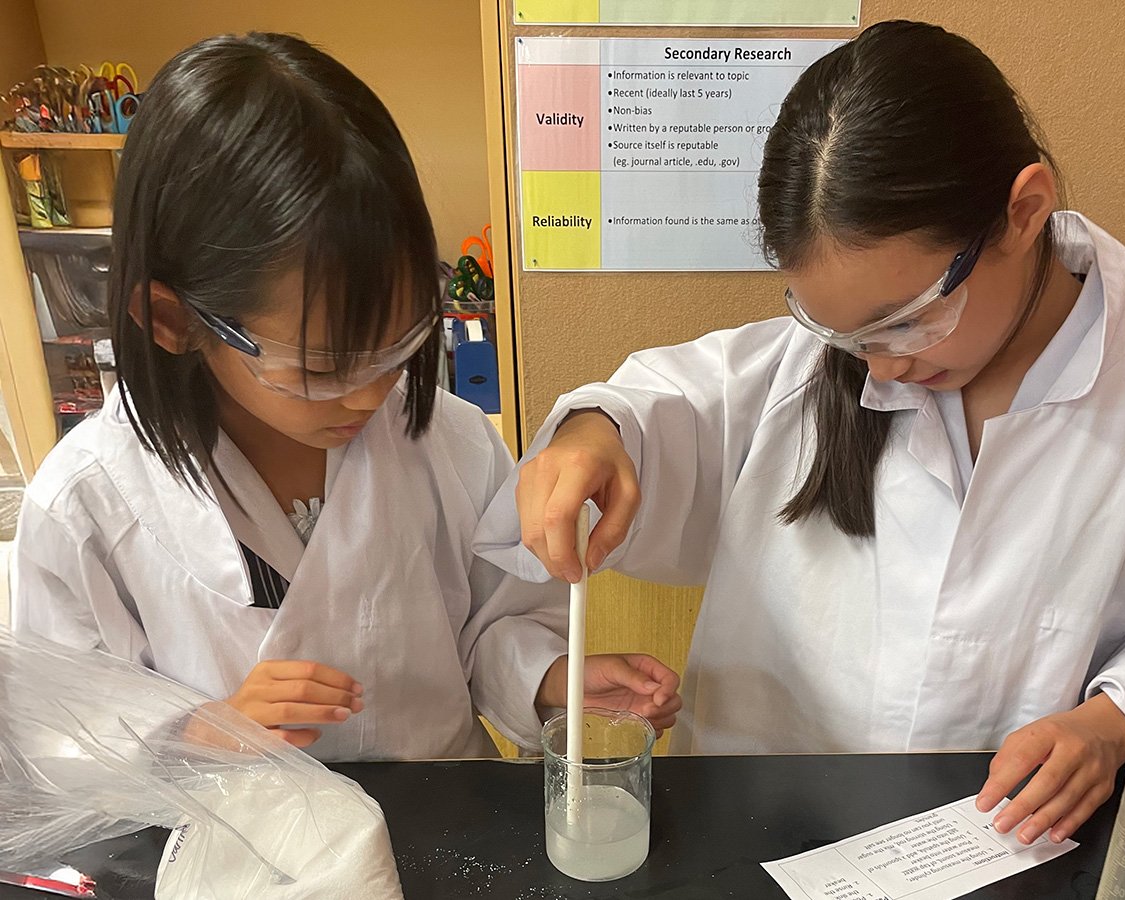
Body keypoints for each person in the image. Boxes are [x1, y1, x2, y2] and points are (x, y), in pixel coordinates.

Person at [475, 20, 1125, 844]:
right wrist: (595, 431)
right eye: (847, 337)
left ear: (1024, 211)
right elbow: (655, 405)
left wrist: (1114, 723)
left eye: (906, 322)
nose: (878, 371)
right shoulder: (796, 374)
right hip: (764, 840)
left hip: (1010, 848)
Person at [14, 32, 680, 762]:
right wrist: (199, 732)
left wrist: (551, 678)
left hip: (444, 820)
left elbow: (491, 623)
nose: (370, 394)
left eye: (400, 343)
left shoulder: (448, 443)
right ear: (173, 320)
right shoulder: (88, 503)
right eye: (324, 366)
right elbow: (64, 729)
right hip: (243, 844)